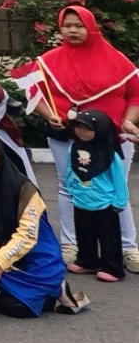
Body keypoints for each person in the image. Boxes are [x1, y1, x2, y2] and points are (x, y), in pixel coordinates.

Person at [36, 5, 139, 272]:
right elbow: (34, 93)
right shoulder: (48, 61)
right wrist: (48, 114)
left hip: (111, 136)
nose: (72, 30)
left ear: (91, 27)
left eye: (79, 25)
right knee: (68, 187)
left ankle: (128, 247)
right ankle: (73, 245)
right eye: (67, 25)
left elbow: (135, 95)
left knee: (118, 189)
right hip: (66, 134)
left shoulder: (118, 61)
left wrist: (129, 120)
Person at [0, 128, 87, 316]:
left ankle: (57, 288)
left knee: (14, 307)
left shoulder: (23, 187)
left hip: (35, 251)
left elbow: (27, 234)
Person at [61, 110, 127, 282]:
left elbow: (119, 179)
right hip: (81, 200)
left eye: (87, 128)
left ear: (100, 130)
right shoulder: (75, 147)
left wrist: (120, 201)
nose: (81, 131)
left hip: (105, 203)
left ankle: (113, 268)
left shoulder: (110, 154)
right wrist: (71, 186)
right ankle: (87, 261)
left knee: (109, 238)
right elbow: (70, 166)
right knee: (84, 234)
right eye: (78, 126)